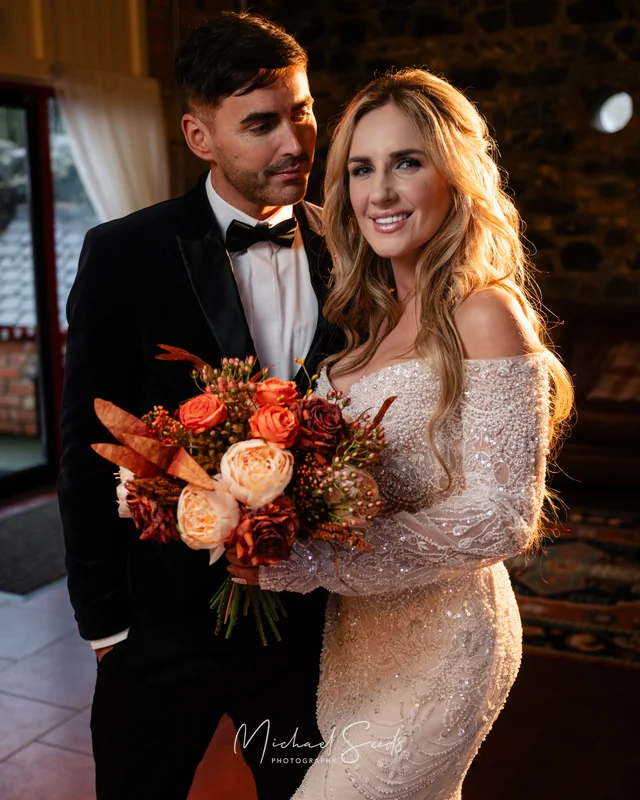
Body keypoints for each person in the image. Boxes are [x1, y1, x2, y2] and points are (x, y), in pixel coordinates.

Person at [230, 68, 574, 799]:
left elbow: (503, 516)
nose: (379, 192)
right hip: (356, 642)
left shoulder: (485, 313)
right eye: (361, 169)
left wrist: (310, 562)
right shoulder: (367, 328)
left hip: (447, 640)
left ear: (453, 175)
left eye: (406, 163)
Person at [58, 12, 339, 800]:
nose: (295, 141)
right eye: (261, 124)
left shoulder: (355, 252)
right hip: (160, 628)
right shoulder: (124, 254)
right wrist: (107, 629)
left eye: (303, 110)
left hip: (305, 633)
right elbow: (88, 447)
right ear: (199, 135)